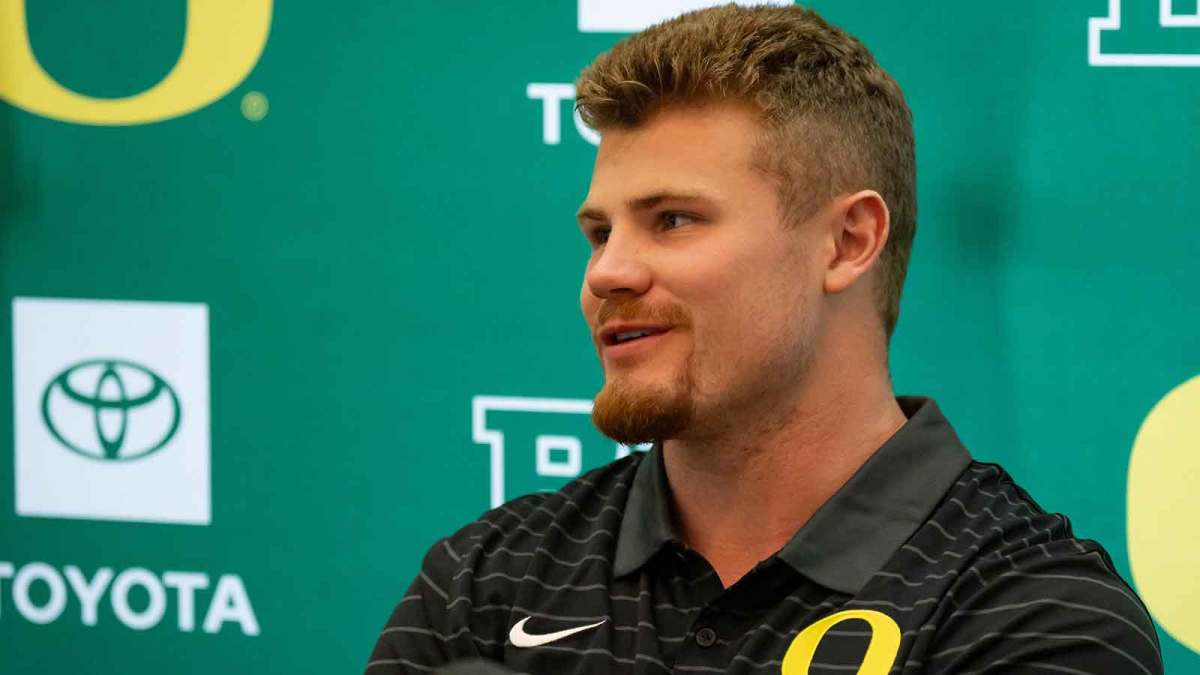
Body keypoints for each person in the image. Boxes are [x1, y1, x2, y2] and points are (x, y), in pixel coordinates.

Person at [366, 5, 1163, 673]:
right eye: (598, 231)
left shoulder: (1031, 615)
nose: (607, 272)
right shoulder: (486, 579)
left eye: (672, 219)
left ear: (848, 242)